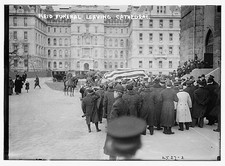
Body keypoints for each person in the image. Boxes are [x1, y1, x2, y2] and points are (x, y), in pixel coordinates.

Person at [103, 84, 130, 160]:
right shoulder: (124, 102)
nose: (113, 93)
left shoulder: (116, 104)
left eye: (114, 91)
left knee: (112, 153)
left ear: (117, 93)